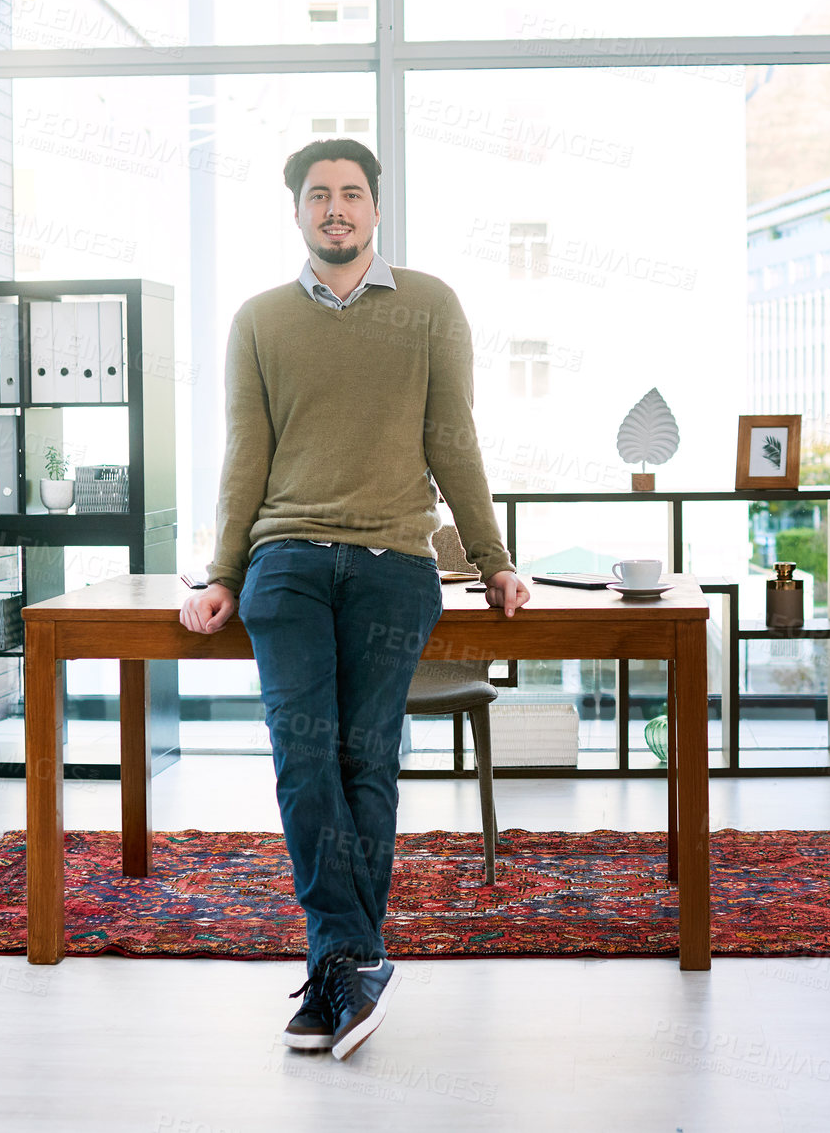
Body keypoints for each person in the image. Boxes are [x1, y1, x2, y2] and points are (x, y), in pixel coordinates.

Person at [178, 138, 530, 1060]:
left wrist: (493, 558)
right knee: (305, 758)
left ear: (376, 208)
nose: (336, 208)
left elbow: (454, 440)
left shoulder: (428, 307)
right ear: (296, 212)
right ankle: (352, 955)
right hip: (286, 561)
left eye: (352, 194)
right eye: (318, 195)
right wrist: (222, 572)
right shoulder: (259, 320)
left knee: (366, 758)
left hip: (391, 563)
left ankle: (338, 966)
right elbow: (243, 457)